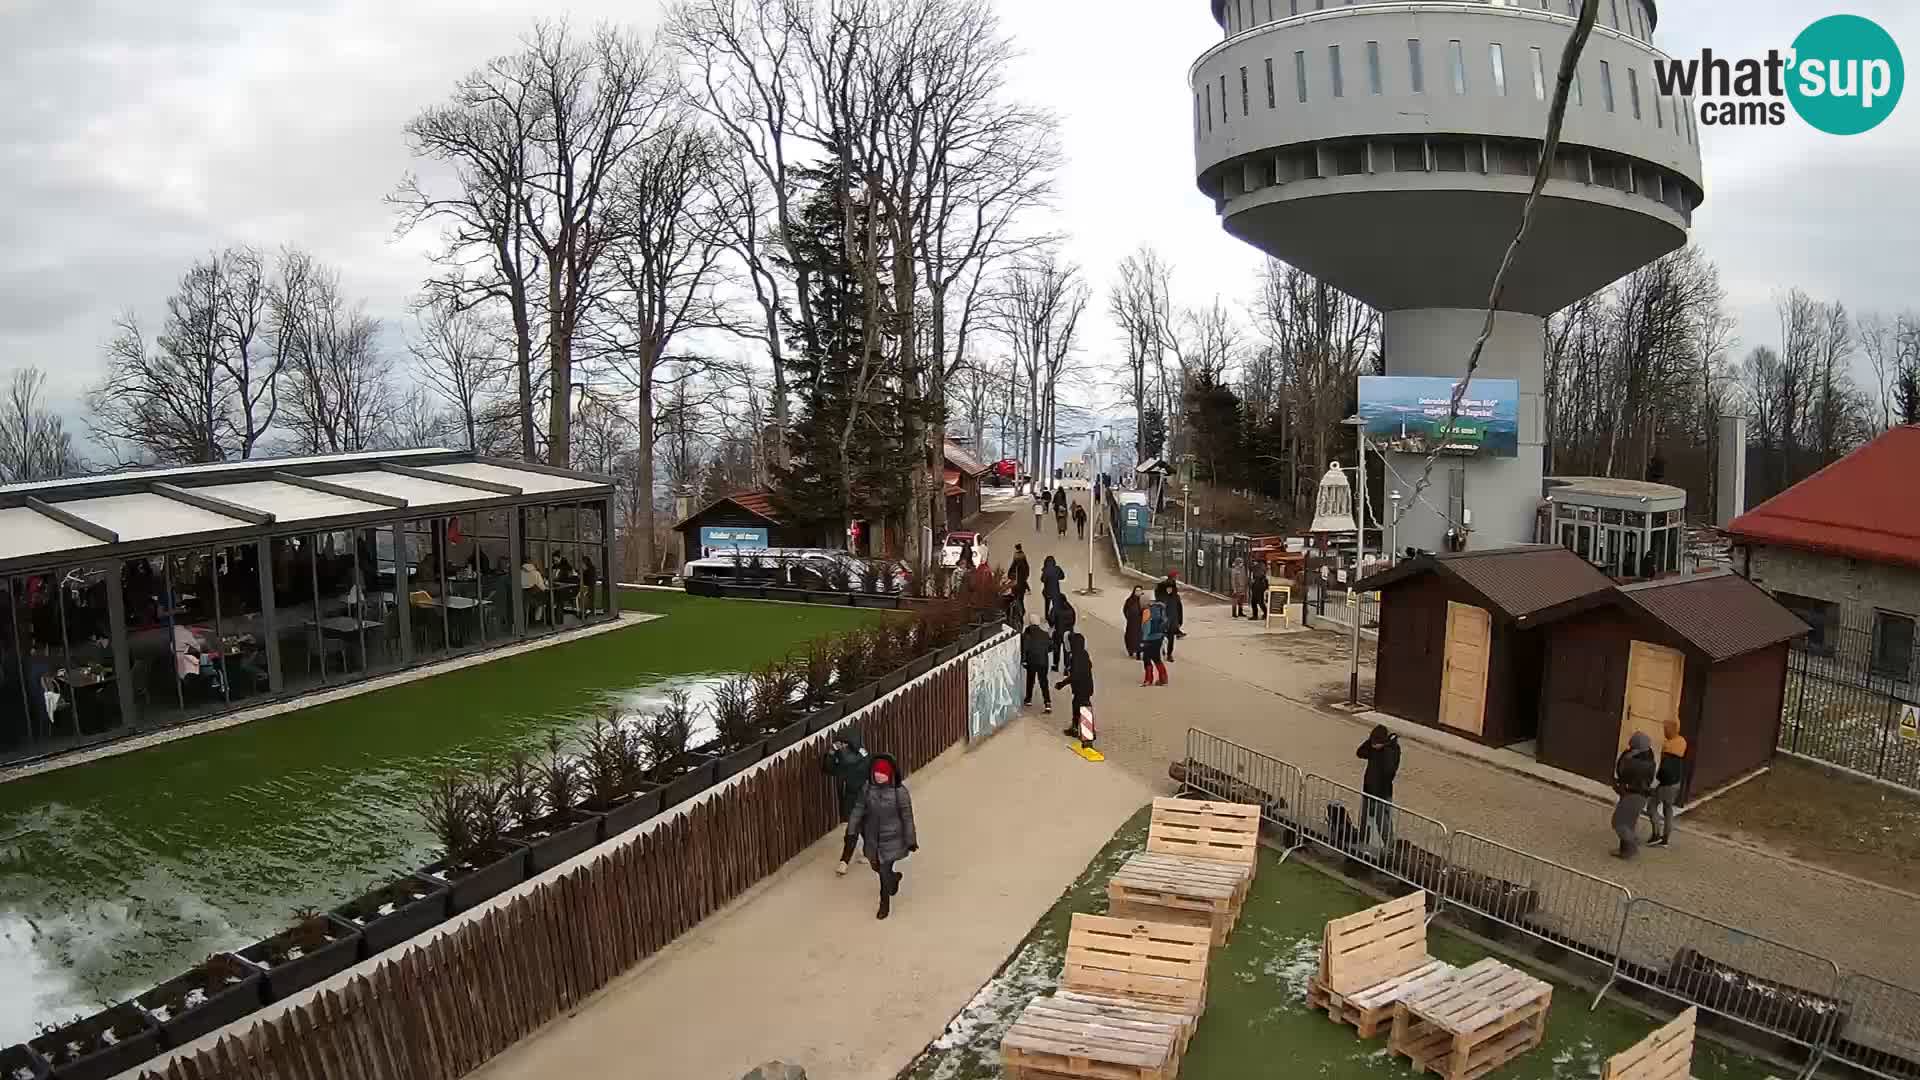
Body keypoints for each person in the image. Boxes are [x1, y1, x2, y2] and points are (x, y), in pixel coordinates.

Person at [846, 754, 917, 919]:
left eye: (883, 773)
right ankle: (894, 879)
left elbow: (907, 817)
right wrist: (851, 830)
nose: (879, 776)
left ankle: (884, 903)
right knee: (877, 867)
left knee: (884, 871)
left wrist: (911, 840)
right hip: (872, 838)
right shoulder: (867, 789)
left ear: (890, 774)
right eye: (877, 773)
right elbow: (858, 809)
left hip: (893, 838)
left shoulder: (899, 792)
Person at [822, 728, 871, 875]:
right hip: (855, 796)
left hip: (861, 796)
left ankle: (844, 861)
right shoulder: (859, 754)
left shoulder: (852, 760)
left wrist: (832, 754)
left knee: (853, 828)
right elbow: (829, 769)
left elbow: (831, 769)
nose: (839, 747)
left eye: (842, 744)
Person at [1611, 732, 1658, 859]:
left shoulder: (1636, 762)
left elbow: (1622, 770)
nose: (1630, 747)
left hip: (1633, 794)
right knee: (1629, 822)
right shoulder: (1649, 758)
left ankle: (1631, 846)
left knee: (1618, 823)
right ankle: (1624, 850)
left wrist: (1626, 758)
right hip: (1637, 795)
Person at [1356, 724, 1401, 845]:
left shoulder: (1392, 750)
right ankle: (1362, 842)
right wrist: (1369, 744)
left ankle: (1390, 847)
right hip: (1368, 788)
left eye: (1375, 743)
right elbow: (1360, 753)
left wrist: (1384, 749)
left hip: (1382, 792)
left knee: (1382, 821)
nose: (1373, 745)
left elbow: (1389, 771)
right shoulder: (1372, 748)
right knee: (1365, 820)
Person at [1646, 720, 1687, 847]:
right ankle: (1665, 839)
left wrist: (1656, 781)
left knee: (1651, 806)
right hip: (1676, 782)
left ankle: (1656, 835)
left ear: (1671, 730)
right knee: (1668, 809)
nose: (1664, 731)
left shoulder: (1668, 746)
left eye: (1665, 729)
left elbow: (1665, 769)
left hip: (1666, 784)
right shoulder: (1682, 742)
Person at [1055, 631, 1095, 738]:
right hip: (1086, 686)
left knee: (1082, 706)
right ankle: (1079, 729)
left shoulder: (1076, 656)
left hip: (1081, 687)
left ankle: (1087, 732)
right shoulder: (1083, 653)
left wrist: (1062, 683)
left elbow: (1075, 675)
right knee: (1078, 706)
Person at [1020, 613, 1054, 713]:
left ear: (1030, 623)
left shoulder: (1027, 634)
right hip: (1043, 662)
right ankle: (1047, 703)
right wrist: (1043, 651)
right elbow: (1050, 647)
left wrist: (1024, 660)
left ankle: (1028, 699)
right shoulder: (1045, 634)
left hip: (1031, 661)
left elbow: (1025, 648)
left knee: (1030, 680)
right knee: (1044, 682)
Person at [1155, 571, 1184, 661]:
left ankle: (1169, 654)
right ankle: (1162, 649)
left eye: (1171, 588)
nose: (1169, 590)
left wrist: (1179, 621)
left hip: (1172, 621)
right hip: (1163, 620)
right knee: (1161, 637)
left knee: (1171, 638)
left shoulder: (1176, 597)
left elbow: (1180, 609)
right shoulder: (1161, 597)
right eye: (1168, 588)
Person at [1141, 597, 1169, 686]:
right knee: (1157, 658)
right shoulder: (1159, 609)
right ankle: (1163, 678)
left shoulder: (1146, 611)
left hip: (1149, 638)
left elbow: (1146, 627)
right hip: (1159, 637)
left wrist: (1143, 640)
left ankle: (1148, 679)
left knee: (1146, 659)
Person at [1049, 594, 1077, 672]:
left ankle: (1055, 665)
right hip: (1068, 633)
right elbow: (1073, 620)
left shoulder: (1055, 609)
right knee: (1067, 650)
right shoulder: (1070, 608)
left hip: (1058, 632)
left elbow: (1051, 621)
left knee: (1056, 649)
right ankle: (1067, 667)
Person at [1122, 586, 1144, 659]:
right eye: (1137, 590)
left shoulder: (1143, 600)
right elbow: (1125, 609)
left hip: (1140, 622)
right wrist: (1128, 617)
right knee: (1130, 636)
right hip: (1131, 622)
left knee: (1139, 637)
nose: (1138, 592)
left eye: (1140, 591)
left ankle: (1138, 653)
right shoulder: (1129, 600)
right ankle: (1130, 650)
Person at [1040, 555, 1064, 620]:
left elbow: (1042, 580)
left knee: (1047, 606)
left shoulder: (1045, 570)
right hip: (1055, 591)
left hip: (1047, 591)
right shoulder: (1057, 569)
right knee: (1056, 606)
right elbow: (1062, 577)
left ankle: (1047, 619)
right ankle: (1055, 620)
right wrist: (1056, 577)